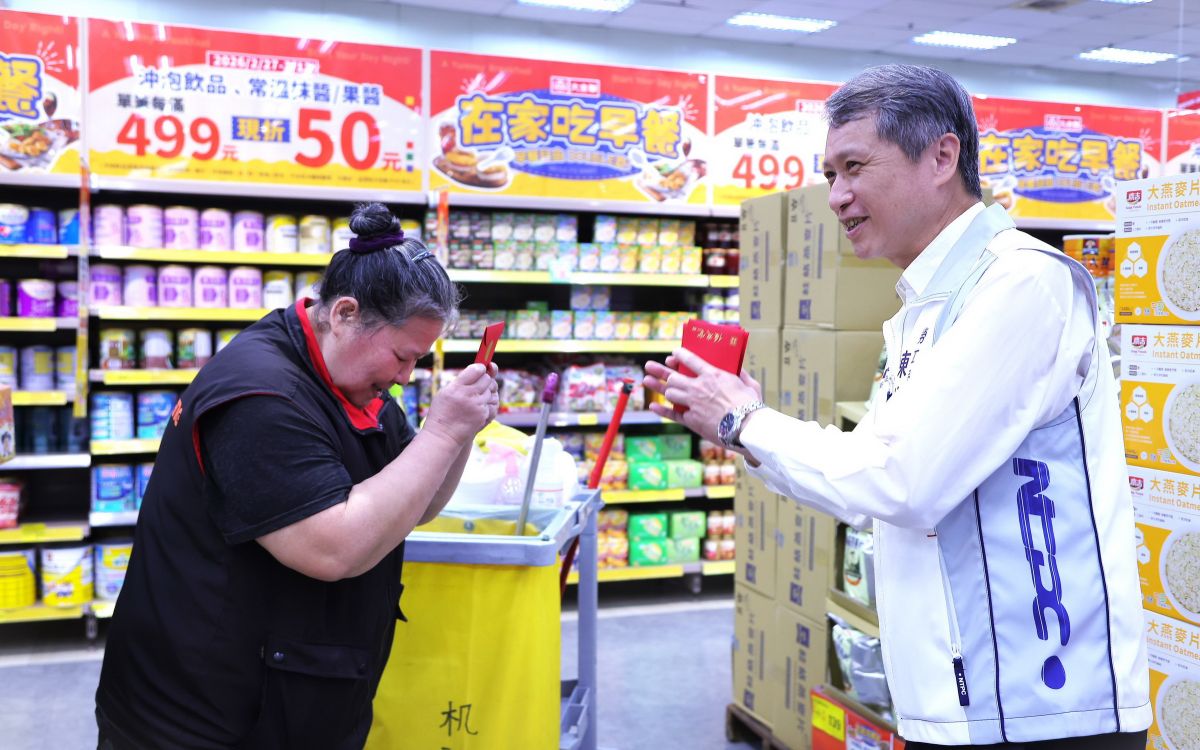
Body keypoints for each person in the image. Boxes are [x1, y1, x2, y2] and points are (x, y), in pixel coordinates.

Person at [645, 65, 1150, 749]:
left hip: (1038, 706)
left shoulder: (1021, 284)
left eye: (854, 167)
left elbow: (902, 480)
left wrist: (745, 422)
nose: (837, 196)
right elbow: (871, 483)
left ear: (942, 156)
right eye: (830, 175)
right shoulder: (925, 307)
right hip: (965, 704)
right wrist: (742, 429)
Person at [95, 202, 498, 749]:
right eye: (404, 357)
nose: (407, 376)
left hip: (290, 695)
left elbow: (414, 502)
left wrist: (461, 433)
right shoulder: (260, 396)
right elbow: (332, 549)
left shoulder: (352, 377)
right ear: (346, 314)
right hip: (199, 717)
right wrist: (444, 432)